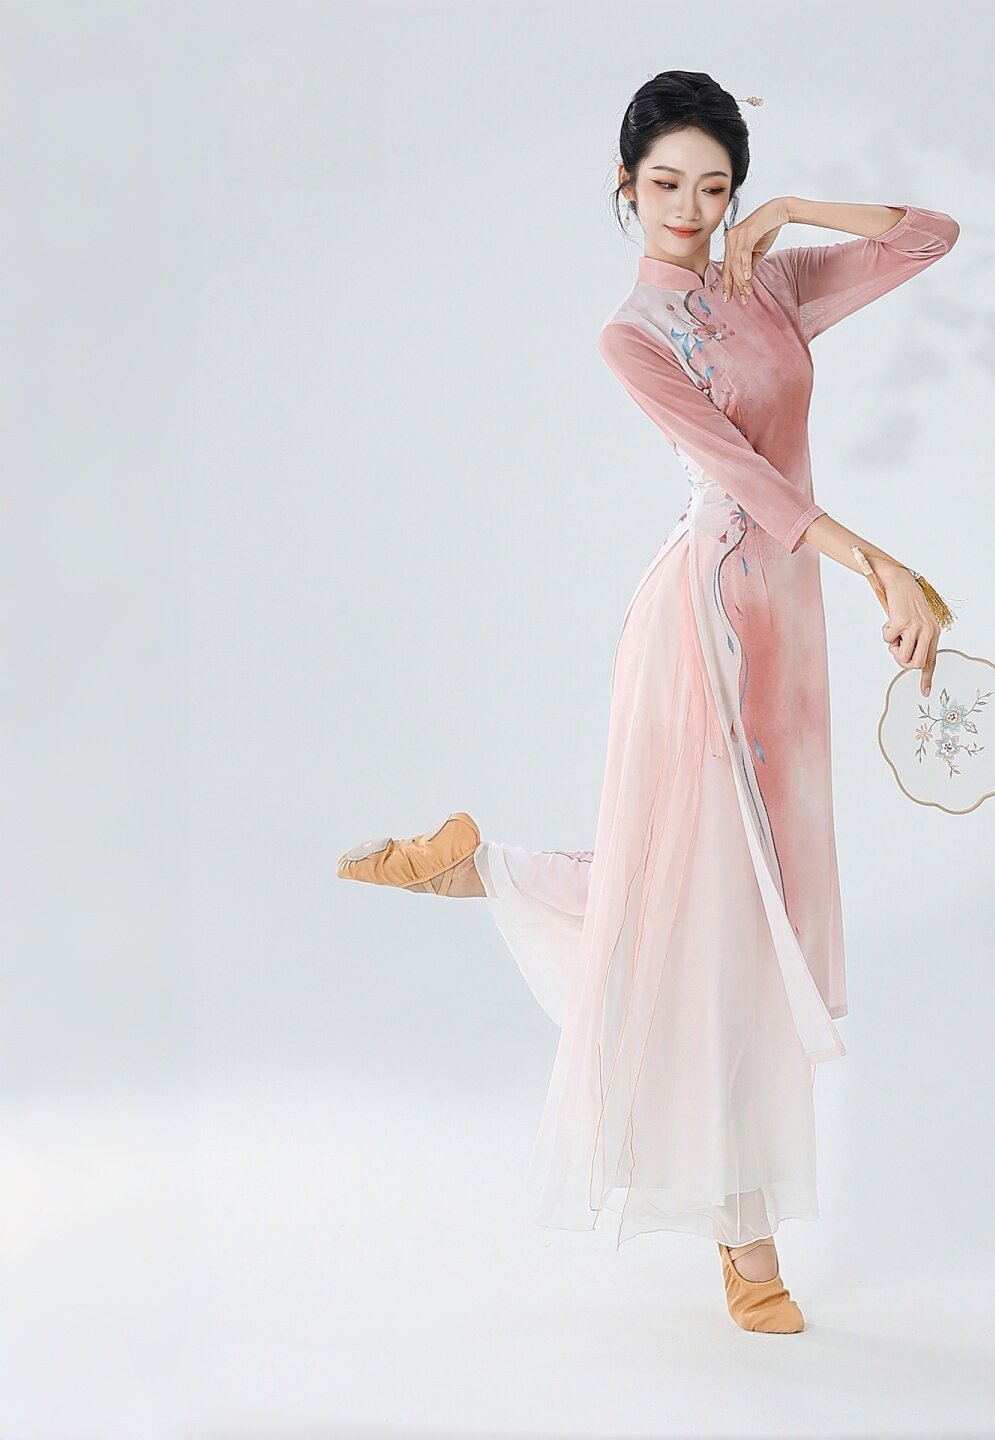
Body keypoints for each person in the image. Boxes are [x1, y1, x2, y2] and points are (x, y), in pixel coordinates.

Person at [337, 71, 959, 1334]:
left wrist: (789, 212)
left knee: (739, 896)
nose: (687, 208)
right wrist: (886, 566)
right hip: (709, 623)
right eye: (665, 183)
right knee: (717, 910)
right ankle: (748, 1242)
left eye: (714, 187)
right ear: (625, 188)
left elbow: (926, 237)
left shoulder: (770, 283)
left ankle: (483, 865)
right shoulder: (634, 336)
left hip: (790, 627)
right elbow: (755, 486)